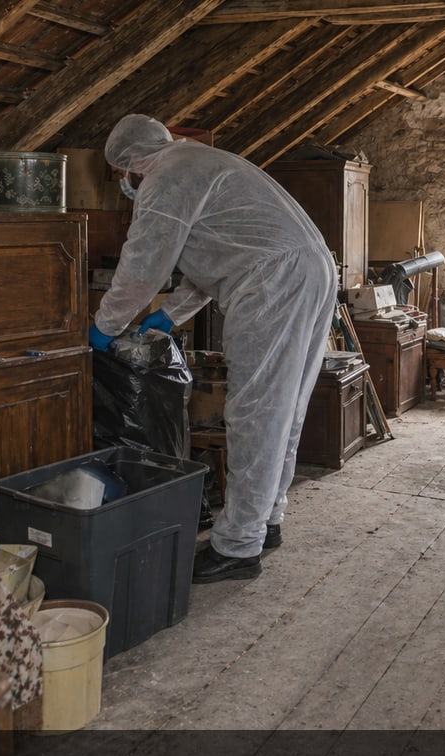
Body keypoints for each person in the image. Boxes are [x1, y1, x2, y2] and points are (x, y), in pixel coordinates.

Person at [90, 114, 337, 583]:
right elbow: (217, 249)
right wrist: (172, 313)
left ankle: (238, 547)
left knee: (256, 411)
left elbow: (145, 262)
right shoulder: (201, 160)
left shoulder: (165, 178)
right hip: (313, 267)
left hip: (273, 280)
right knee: (285, 408)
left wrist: (106, 324)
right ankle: (266, 520)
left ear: (129, 165)